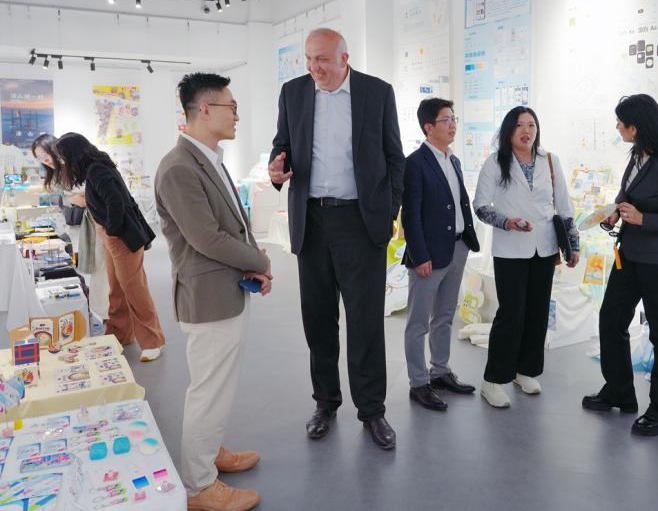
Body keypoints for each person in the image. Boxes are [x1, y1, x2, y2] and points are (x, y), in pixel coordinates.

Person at [268, 28, 404, 450]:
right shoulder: (293, 93)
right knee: (318, 319)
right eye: (309, 59)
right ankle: (325, 403)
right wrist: (276, 170)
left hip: (360, 222)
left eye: (323, 59)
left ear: (344, 58)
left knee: (366, 322)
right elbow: (282, 145)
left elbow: (394, 157)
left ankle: (372, 410)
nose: (315, 68)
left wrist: (388, 210)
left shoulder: (376, 93)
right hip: (312, 222)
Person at [155, 73, 272, 511]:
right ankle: (200, 485)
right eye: (231, 107)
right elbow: (207, 238)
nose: (237, 115)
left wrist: (253, 261)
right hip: (207, 297)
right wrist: (259, 260)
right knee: (208, 390)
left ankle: (209, 453)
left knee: (219, 386)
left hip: (226, 289)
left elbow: (233, 223)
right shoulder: (179, 167)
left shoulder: (208, 158)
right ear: (204, 110)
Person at [582, 94, 658, 436]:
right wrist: (615, 212)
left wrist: (644, 218)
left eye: (621, 122)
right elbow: (629, 197)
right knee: (610, 320)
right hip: (629, 255)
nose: (617, 127)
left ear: (637, 126)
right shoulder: (636, 156)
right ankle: (618, 391)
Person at [472, 106, 579, 408]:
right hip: (510, 249)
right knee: (511, 313)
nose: (527, 131)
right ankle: (493, 380)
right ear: (509, 130)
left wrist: (573, 245)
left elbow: (565, 208)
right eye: (520, 125)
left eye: (532, 125)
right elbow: (480, 206)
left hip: (545, 248)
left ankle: (526, 371)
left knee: (537, 312)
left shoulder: (550, 161)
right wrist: (507, 222)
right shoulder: (496, 162)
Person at [54, 132, 165, 361]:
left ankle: (152, 341)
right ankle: (120, 334)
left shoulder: (97, 170)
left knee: (134, 289)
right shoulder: (96, 168)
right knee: (116, 289)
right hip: (114, 238)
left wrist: (111, 230)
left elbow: (116, 202)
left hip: (121, 238)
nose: (63, 163)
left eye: (64, 157)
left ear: (73, 154)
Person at [401, 98, 479, 411]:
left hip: (457, 248)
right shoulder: (415, 163)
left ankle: (441, 371)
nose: (453, 125)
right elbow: (411, 214)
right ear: (428, 127)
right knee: (418, 322)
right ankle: (418, 383)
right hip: (429, 255)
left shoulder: (453, 160)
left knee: (445, 316)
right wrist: (419, 255)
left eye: (454, 119)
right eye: (446, 120)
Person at [32, 134, 110, 324]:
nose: (45, 160)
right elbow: (73, 198)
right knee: (86, 269)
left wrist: (76, 198)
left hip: (95, 224)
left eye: (45, 154)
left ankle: (102, 313)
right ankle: (95, 311)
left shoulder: (76, 167)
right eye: (39, 157)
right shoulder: (55, 176)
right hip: (75, 227)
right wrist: (73, 198)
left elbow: (84, 198)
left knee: (100, 268)